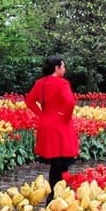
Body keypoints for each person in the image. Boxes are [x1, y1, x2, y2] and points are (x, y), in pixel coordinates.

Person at [24, 56, 79, 202]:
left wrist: (41, 114)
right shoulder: (62, 83)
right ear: (56, 68)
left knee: (56, 161)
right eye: (63, 66)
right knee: (62, 161)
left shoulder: (40, 83)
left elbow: (29, 100)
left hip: (46, 123)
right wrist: (66, 117)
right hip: (60, 125)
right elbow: (70, 103)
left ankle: (56, 194)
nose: (64, 69)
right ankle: (57, 196)